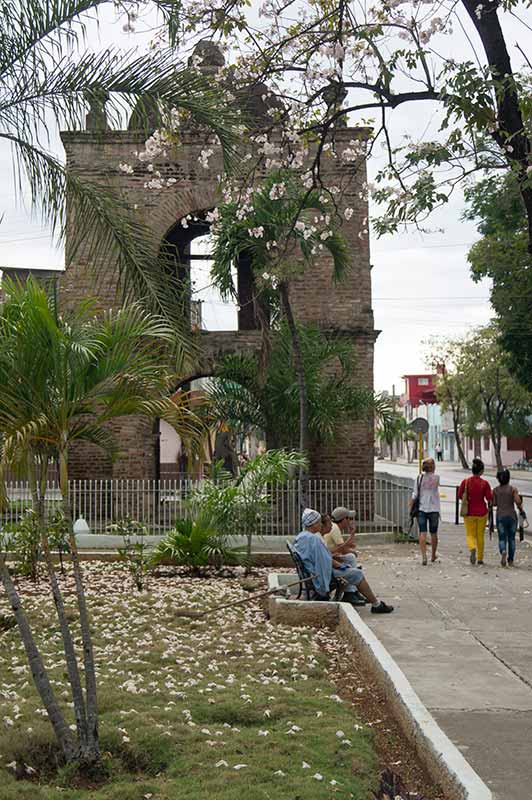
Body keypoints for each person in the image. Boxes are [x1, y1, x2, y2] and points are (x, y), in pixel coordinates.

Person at [293, 508, 394, 613]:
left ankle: (353, 593)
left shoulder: (302, 536)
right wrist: (342, 566)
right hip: (318, 574)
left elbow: (323, 558)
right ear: (313, 524)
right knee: (357, 573)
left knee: (350, 563)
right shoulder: (314, 539)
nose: (320, 525)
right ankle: (376, 604)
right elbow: (325, 561)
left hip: (312, 572)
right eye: (318, 522)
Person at [321, 513, 366, 605]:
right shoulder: (335, 528)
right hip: (327, 568)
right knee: (352, 561)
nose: (350, 521)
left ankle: (353, 591)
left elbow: (344, 547)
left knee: (350, 557)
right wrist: (352, 534)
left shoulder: (332, 529)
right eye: (349, 519)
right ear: (344, 519)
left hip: (330, 559)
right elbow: (343, 548)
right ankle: (351, 593)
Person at [458, 458, 493, 566]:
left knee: (470, 534)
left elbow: (460, 495)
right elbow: (489, 498)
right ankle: (480, 558)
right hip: (482, 512)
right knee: (480, 536)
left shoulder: (466, 482)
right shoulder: (485, 483)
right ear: (481, 471)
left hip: (469, 513)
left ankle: (472, 548)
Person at [410, 458, 440, 565]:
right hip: (434, 509)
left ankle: (424, 557)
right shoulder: (436, 478)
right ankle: (433, 555)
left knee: (422, 532)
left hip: (422, 509)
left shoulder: (419, 478)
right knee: (434, 533)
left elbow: (414, 495)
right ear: (433, 467)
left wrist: (410, 507)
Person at [492, 469, 525, 567]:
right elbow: (518, 502)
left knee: (502, 538)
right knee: (512, 539)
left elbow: (493, 503)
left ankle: (503, 551)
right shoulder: (513, 489)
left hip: (500, 516)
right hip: (512, 517)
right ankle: (510, 560)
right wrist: (521, 509)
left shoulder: (495, 490)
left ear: (498, 479)